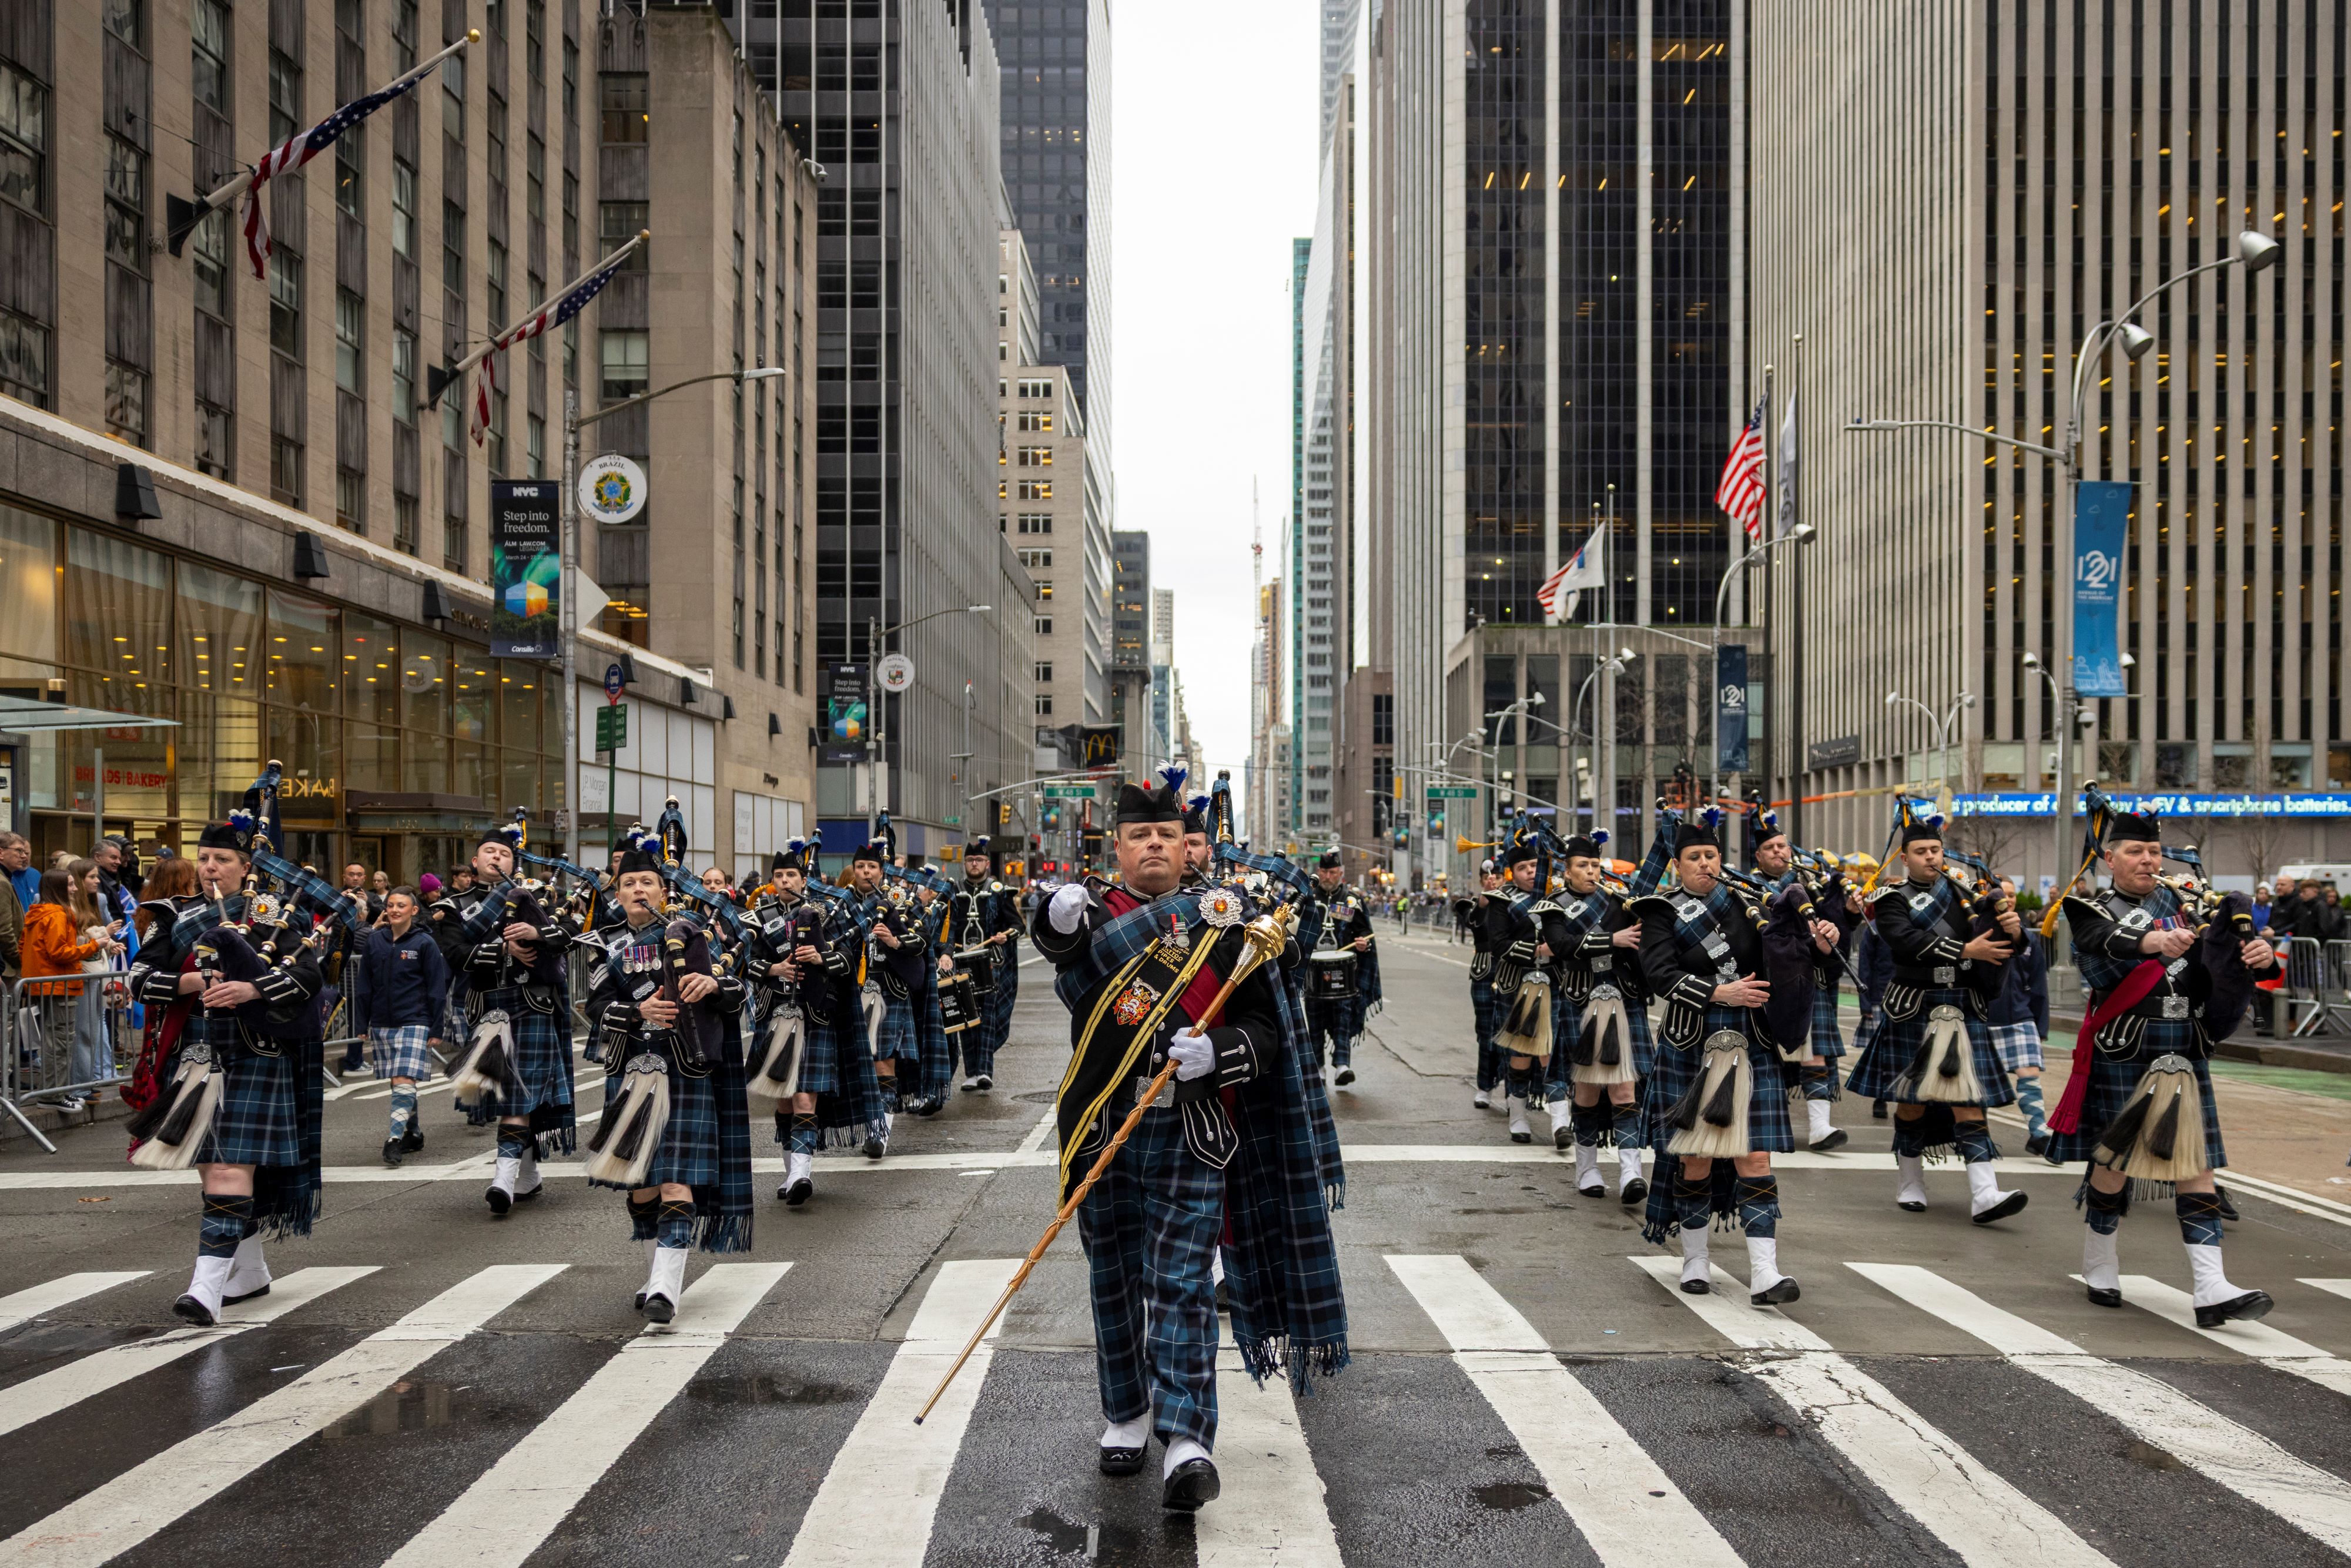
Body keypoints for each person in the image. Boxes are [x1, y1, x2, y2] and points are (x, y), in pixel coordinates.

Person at [1030, 772, 1348, 1511]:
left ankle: (1187, 1438)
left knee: (1180, 1282)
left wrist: (1222, 1051)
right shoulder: (1094, 916)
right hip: (1104, 1119)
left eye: (1166, 835)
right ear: (1117, 847)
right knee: (1113, 1276)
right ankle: (1126, 1413)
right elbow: (1073, 988)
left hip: (1191, 1123)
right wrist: (1054, 926)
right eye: (1139, 835)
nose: (1153, 846)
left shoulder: (1222, 920)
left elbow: (1269, 1029)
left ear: (1185, 846)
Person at [2054, 806, 2280, 1325]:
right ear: (2109, 858)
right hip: (2126, 1049)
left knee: (2195, 1166)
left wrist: (2258, 958)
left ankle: (2210, 1287)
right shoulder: (2091, 908)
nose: (2148, 860)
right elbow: (2098, 947)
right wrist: (2152, 941)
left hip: (2183, 1048)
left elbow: (2217, 967)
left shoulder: (2189, 904)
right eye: (2135, 851)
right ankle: (2099, 1260)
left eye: (2154, 851)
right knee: (2113, 1167)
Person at [129, 785, 329, 1325]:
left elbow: (309, 975)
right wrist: (190, 980)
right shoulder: (173, 914)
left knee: (226, 1172)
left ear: (247, 867)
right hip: (195, 1059)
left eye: (222, 860)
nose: (210, 868)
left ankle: (205, 1291)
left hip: (255, 1057)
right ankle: (251, 1271)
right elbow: (139, 977)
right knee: (213, 1174)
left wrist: (254, 990)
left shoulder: (274, 916)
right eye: (205, 858)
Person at [1633, 810, 1840, 1304]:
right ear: (1678, 866)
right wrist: (1718, 993)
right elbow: (1659, 976)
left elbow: (1785, 957)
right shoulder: (1660, 911)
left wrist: (1820, 944)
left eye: (1711, 856)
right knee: (1697, 1157)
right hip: (1694, 1043)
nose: (1705, 864)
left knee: (1755, 1156)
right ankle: (1695, 1260)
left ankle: (1765, 1272)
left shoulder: (1752, 904)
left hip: (1751, 1042)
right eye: (1694, 858)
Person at [583, 827, 755, 1321]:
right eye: (629, 883)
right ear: (617, 893)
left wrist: (713, 985)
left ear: (664, 890)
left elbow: (735, 988)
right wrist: (637, 1013)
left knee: (678, 1183)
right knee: (642, 1188)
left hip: (686, 1070)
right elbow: (595, 1004)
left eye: (647, 882)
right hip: (634, 1071)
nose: (639, 890)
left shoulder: (694, 933)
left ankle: (665, 1289)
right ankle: (655, 1270)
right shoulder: (606, 945)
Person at [1841, 812, 2028, 1225]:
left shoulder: (1965, 893)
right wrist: (1965, 951)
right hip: (1915, 1003)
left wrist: (2014, 932)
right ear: (1904, 859)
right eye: (1921, 852)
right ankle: (1910, 1181)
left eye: (1936, 850)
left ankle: (1985, 1194)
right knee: (1913, 1103)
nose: (1931, 857)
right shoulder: (1892, 899)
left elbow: (1994, 937)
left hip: (1962, 1005)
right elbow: (1904, 941)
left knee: (1969, 1102)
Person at [433, 821, 578, 1214]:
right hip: (490, 1008)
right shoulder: (453, 907)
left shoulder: (535, 900)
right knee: (516, 1094)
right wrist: (504, 951)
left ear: (514, 862)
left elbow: (569, 934)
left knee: (519, 1091)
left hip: (532, 1005)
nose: (498, 858)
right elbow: (455, 953)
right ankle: (527, 1175)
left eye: (506, 854)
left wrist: (537, 932)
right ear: (475, 860)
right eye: (492, 853)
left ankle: (504, 1177)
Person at [749, 840, 885, 1204]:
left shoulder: (827, 913)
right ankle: (790, 1170)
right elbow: (746, 964)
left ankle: (800, 1174)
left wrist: (821, 957)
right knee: (783, 1100)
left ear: (803, 878)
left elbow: (847, 958)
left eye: (791, 875)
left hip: (816, 1016)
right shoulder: (759, 918)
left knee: (805, 1097)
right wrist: (775, 968)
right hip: (776, 1016)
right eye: (778, 876)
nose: (784, 881)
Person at [1548, 829, 1652, 1204]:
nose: (1591, 871)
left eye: (1595, 864)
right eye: (1582, 865)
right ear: (1568, 870)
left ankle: (1630, 1172)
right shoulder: (1554, 905)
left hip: (1623, 1000)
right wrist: (1613, 940)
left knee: (1625, 1089)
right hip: (1580, 1003)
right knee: (1589, 1091)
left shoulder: (1618, 902)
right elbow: (1560, 947)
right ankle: (1587, 1169)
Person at [1750, 817, 1853, 1152]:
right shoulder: (1747, 887)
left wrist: (1846, 915)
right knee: (1765, 1056)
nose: (1779, 851)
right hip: (1767, 979)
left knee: (1815, 1055)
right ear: (1758, 856)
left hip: (1809, 977)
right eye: (1770, 848)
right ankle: (1764, 1121)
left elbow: (1834, 926)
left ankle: (1820, 1126)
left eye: (1783, 846)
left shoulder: (1813, 884)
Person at [347, 885, 450, 1167]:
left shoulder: (425, 943)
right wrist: (362, 1023)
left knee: (403, 1078)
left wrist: (436, 1027)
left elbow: (436, 988)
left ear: (414, 911)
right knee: (400, 1082)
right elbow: (365, 985)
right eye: (390, 905)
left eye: (401, 906)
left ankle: (393, 1140)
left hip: (415, 1020)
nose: (393, 910)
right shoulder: (375, 941)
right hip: (382, 1022)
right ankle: (413, 1132)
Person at [23, 867, 122, 1108]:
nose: (75, 888)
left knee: (57, 1041)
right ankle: (56, 1094)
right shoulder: (57, 915)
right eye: (69, 885)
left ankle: (61, 1091)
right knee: (60, 1041)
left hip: (46, 983)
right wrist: (94, 945)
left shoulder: (38, 913)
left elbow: (23, 947)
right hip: (59, 984)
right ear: (59, 888)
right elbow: (60, 953)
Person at [949, 836, 1022, 1091]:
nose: (975, 864)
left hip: (992, 964)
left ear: (987, 864)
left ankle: (985, 1072)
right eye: (970, 860)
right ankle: (971, 1074)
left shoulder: (998, 891)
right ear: (965, 864)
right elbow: (947, 929)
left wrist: (1005, 935)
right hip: (962, 964)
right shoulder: (954, 889)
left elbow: (1018, 926)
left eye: (979, 860)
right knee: (967, 1017)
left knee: (988, 1016)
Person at [1302, 851, 1379, 1087]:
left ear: (1340, 874)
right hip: (1313, 970)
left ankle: (1343, 1065)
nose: (1327, 876)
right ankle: (1320, 1067)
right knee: (1315, 1017)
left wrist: (1364, 941)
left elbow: (1364, 931)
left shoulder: (1351, 900)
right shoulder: (1306, 899)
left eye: (1332, 872)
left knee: (1343, 1015)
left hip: (1343, 972)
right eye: (1324, 872)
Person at [1988, 876, 2052, 1153]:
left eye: (2012, 895)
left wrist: (2041, 1027)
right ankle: (1976, 1135)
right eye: (2002, 894)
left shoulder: (2028, 939)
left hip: (2021, 1016)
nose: (2008, 899)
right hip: (1985, 1017)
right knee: (1981, 1082)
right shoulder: (1979, 933)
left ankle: (2039, 1134)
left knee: (2029, 1073)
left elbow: (2039, 984)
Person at [1452, 860, 1509, 1109]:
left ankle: (1513, 1093)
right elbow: (1473, 922)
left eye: (1497, 875)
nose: (1492, 879)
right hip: (1485, 971)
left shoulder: (1516, 905)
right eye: (1487, 876)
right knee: (1486, 1033)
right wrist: (1485, 902)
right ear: (1481, 880)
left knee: (1512, 1034)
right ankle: (1485, 1087)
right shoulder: (1473, 905)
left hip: (1511, 969)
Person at [0, 831, 38, 915]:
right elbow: (4, 927)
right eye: (19, 851)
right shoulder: (2, 882)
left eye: (26, 853)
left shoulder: (35, 874)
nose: (24, 856)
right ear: (1, 853)